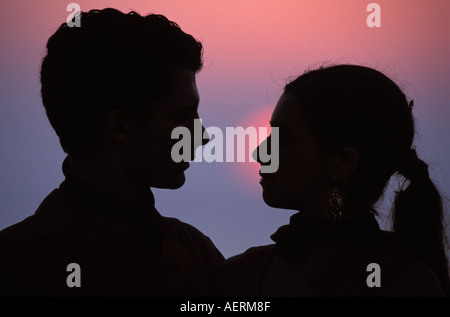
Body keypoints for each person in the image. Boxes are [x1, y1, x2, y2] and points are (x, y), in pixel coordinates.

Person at [0, 8, 224, 296]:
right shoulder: (16, 269)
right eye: (182, 116)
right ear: (120, 127)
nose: (203, 137)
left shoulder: (197, 254)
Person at [214, 65, 449, 296]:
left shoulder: (405, 285)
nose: (260, 153)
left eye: (284, 140)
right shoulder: (240, 273)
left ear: (344, 163)